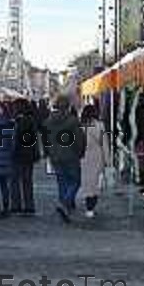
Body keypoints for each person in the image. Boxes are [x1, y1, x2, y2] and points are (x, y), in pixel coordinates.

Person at [43, 95, 86, 223]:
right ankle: (66, 203)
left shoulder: (48, 121)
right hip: (71, 155)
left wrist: (48, 153)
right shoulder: (72, 121)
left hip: (55, 156)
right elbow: (80, 139)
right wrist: (80, 152)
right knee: (75, 181)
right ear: (67, 107)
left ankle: (65, 204)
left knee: (62, 182)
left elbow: (45, 140)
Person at [79, 104, 110, 218]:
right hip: (97, 157)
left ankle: (88, 207)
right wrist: (107, 160)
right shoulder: (100, 126)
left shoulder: (80, 126)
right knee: (95, 184)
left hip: (83, 157)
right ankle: (91, 207)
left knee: (87, 183)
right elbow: (104, 144)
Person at [11, 98, 39, 215]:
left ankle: (16, 205)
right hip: (29, 154)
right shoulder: (31, 120)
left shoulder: (19, 122)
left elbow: (16, 140)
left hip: (19, 154)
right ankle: (29, 205)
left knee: (15, 181)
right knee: (27, 181)